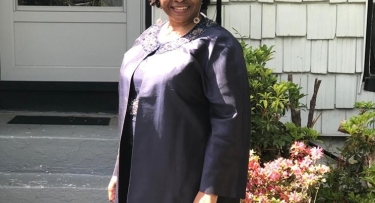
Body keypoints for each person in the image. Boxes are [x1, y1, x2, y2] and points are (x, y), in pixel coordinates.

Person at [107, 0, 250, 202]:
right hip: (137, 170)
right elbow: (132, 108)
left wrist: (211, 188)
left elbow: (230, 119)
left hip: (183, 178)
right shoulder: (148, 37)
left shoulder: (217, 44)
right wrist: (118, 170)